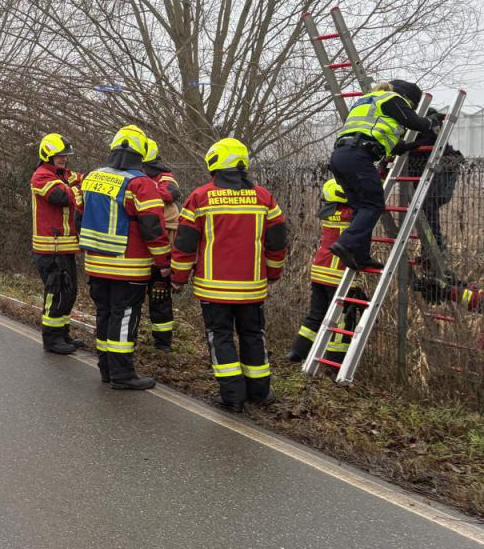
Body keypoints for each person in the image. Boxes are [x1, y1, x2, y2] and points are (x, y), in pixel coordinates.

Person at [171, 138, 287, 412]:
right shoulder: (264, 197)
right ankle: (260, 393)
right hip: (252, 287)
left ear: (214, 163)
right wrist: (273, 272)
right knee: (253, 335)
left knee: (220, 337)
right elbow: (278, 240)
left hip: (214, 289)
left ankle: (232, 396)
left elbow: (185, 243)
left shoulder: (200, 197)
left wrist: (178, 278)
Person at [79, 125, 171, 390]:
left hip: (95, 263)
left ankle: (107, 369)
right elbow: (153, 226)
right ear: (140, 154)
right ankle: (123, 374)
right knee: (125, 317)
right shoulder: (141, 183)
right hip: (128, 266)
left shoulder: (92, 177)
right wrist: (164, 263)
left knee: (105, 314)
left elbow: (78, 215)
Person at [329, 80, 435, 271]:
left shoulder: (366, 101)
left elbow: (376, 135)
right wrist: (432, 121)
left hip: (341, 155)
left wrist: (406, 146)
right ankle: (346, 243)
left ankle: (360, 256)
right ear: (409, 99)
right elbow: (415, 123)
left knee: (360, 207)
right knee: (374, 204)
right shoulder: (393, 99)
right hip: (358, 155)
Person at [288, 179, 367, 365]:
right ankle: (335, 361)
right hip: (338, 274)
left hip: (319, 271)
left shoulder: (326, 213)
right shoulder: (351, 214)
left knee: (316, 314)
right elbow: (368, 210)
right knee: (343, 320)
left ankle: (298, 351)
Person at [30, 132, 84, 354]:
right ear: (48, 156)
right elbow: (62, 197)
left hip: (65, 247)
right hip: (49, 248)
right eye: (59, 156)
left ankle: (63, 333)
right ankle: (51, 339)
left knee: (69, 292)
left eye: (65, 155)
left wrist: (84, 183)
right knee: (56, 292)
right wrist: (79, 191)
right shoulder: (41, 177)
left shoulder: (63, 175)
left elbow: (80, 179)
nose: (64, 159)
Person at [401, 107, 465, 252]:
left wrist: (409, 145)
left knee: (428, 204)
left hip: (440, 167)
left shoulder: (429, 119)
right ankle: (431, 246)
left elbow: (432, 139)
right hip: (420, 167)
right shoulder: (408, 119)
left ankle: (434, 246)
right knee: (424, 209)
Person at [141, 139, 182, 351]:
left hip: (163, 242)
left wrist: (143, 189)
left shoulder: (165, 177)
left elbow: (170, 193)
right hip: (139, 246)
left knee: (160, 295)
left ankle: (163, 343)